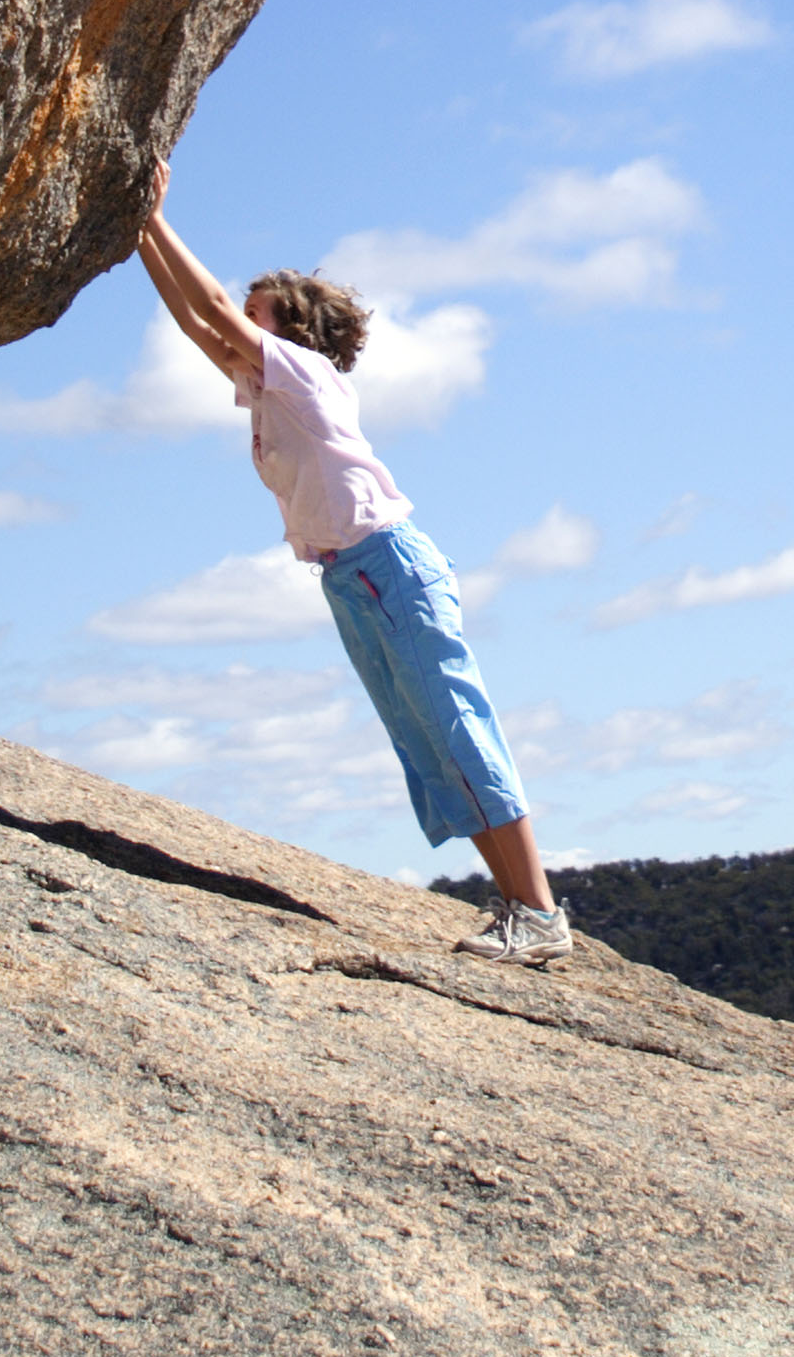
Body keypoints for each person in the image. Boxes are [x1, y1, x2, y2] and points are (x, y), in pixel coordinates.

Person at [136, 163, 572, 967]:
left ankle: (538, 912)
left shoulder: (303, 375)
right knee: (431, 745)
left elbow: (211, 314)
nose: (241, 318)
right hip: (352, 579)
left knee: (457, 729)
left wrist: (153, 219)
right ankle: (520, 907)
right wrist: (136, 238)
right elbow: (200, 328)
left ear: (290, 327)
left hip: (386, 566)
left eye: (257, 309)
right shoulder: (270, 390)